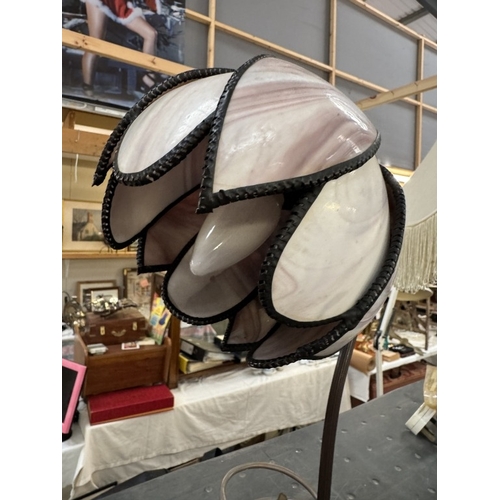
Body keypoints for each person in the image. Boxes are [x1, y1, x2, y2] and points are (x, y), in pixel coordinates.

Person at [80, 0, 160, 96]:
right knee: (95, 43)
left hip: (119, 4)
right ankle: (88, 88)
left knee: (151, 34)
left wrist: (154, 8)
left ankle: (148, 78)